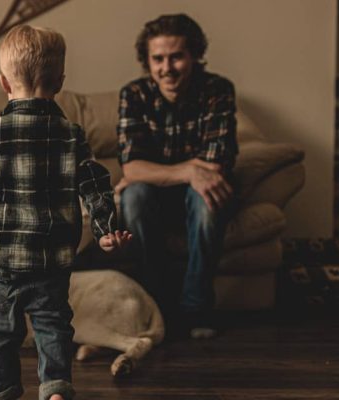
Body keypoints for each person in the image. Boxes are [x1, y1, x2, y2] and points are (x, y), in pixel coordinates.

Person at [0, 25, 130, 400]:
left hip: (0, 261)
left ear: (3, 83)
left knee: (0, 331)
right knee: (52, 326)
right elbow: (95, 184)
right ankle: (56, 389)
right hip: (51, 259)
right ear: (59, 81)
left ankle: (5, 392)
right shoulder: (71, 135)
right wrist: (105, 230)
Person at [116, 14, 238, 339]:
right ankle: (156, 305)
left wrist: (158, 171)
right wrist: (190, 170)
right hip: (153, 198)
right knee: (134, 195)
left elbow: (214, 168)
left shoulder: (218, 90)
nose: (166, 68)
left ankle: (196, 309)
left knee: (206, 194)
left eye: (176, 57)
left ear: (194, 55)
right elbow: (132, 170)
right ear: (147, 61)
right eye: (158, 59)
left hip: (199, 195)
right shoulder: (133, 95)